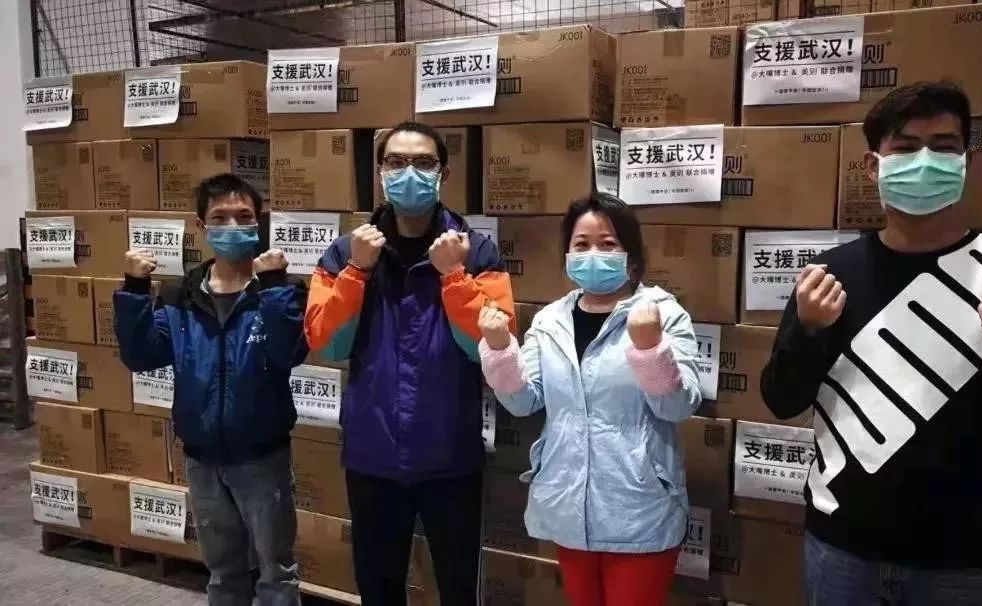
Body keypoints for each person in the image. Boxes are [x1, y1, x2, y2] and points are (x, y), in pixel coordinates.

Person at [760, 82, 982, 606]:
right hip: (843, 548)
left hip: (962, 558)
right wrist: (809, 331)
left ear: (966, 162)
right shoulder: (829, 276)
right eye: (906, 148)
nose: (925, 162)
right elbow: (781, 398)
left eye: (944, 147)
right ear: (873, 165)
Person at [303, 122, 515, 606]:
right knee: (379, 590)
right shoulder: (346, 251)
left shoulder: (475, 251)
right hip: (372, 455)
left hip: (450, 455)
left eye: (423, 162)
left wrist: (454, 276)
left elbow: (490, 349)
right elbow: (326, 344)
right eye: (396, 162)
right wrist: (357, 271)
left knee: (458, 590)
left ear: (444, 173)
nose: (409, 173)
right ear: (380, 172)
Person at [476, 193, 701, 606]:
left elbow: (677, 406)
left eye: (608, 243)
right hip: (569, 504)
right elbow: (523, 402)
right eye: (581, 244)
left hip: (638, 506)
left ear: (631, 254)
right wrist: (499, 349)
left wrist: (650, 348)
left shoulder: (663, 314)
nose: (593, 253)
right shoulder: (551, 321)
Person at [114, 173, 309, 606]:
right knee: (223, 572)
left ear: (259, 222)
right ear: (201, 226)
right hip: (202, 459)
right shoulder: (180, 294)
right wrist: (134, 290)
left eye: (244, 216)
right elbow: (141, 356)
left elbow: (289, 353)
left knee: (276, 571)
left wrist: (274, 286)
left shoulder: (280, 290)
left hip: (263, 459)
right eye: (220, 218)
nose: (232, 226)